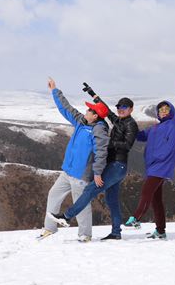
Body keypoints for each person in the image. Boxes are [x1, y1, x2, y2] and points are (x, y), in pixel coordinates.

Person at [47, 95, 139, 241]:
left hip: (117, 165)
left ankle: (67, 216)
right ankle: (116, 232)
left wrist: (109, 142)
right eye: (119, 107)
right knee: (112, 201)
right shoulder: (119, 121)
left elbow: (127, 146)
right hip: (115, 165)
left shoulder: (130, 124)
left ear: (131, 109)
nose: (120, 110)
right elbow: (106, 111)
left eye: (124, 108)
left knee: (90, 190)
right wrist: (93, 95)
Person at [123, 75, 175, 239]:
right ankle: (161, 231)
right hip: (151, 165)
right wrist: (127, 125)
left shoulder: (174, 123)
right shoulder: (154, 128)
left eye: (166, 109)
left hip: (162, 165)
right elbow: (140, 136)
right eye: (161, 110)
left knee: (146, 191)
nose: (163, 111)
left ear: (171, 112)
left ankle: (136, 218)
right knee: (156, 200)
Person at [39, 77, 109, 242]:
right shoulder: (80, 122)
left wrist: (97, 173)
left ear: (96, 116)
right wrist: (55, 90)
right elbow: (66, 108)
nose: (86, 111)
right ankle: (50, 228)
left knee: (81, 205)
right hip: (68, 171)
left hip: (81, 176)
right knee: (53, 195)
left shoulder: (99, 131)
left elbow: (101, 153)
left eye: (90, 110)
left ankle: (85, 235)